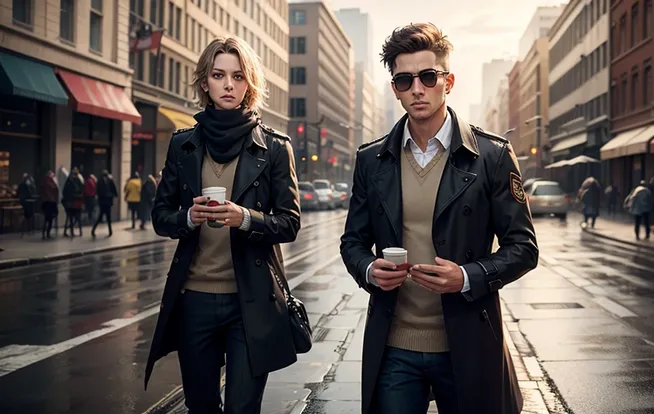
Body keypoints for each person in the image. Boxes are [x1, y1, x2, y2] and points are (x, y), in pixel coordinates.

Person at [340, 23, 538, 414]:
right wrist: (368, 270)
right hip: (394, 343)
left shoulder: (492, 156)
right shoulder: (371, 159)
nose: (417, 88)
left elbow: (524, 248)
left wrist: (466, 277)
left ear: (448, 80)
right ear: (395, 87)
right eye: (404, 80)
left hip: (466, 339)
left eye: (428, 77)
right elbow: (352, 242)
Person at [144, 37, 301, 414]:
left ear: (249, 85)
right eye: (219, 75)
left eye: (238, 76)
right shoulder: (182, 145)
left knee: (242, 408)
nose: (228, 85)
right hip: (194, 299)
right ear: (205, 83)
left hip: (251, 301)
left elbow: (289, 223)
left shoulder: (276, 148)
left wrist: (245, 219)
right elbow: (160, 216)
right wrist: (187, 217)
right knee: (200, 407)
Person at [91, 170, 118, 238]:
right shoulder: (100, 181)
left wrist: (114, 195)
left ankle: (109, 231)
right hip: (103, 201)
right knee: (101, 217)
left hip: (107, 201)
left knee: (107, 217)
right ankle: (94, 230)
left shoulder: (109, 180)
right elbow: (98, 191)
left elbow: (114, 189)